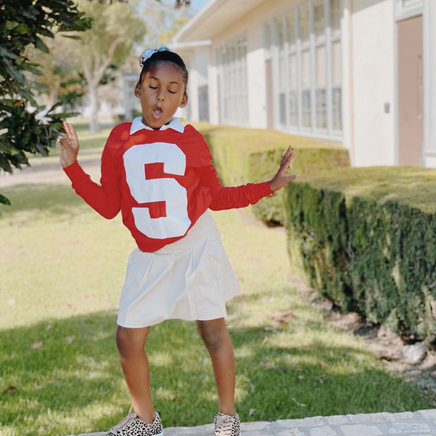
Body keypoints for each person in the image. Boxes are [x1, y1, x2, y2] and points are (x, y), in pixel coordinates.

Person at [59, 47, 296, 436]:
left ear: (183, 99)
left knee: (212, 332)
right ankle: (145, 419)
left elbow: (216, 197)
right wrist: (73, 168)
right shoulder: (119, 139)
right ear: (138, 89)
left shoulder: (190, 139)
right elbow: (109, 206)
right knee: (127, 338)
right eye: (153, 86)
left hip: (195, 245)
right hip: (150, 255)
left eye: (172, 90)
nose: (161, 97)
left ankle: (227, 416)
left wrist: (268, 186)